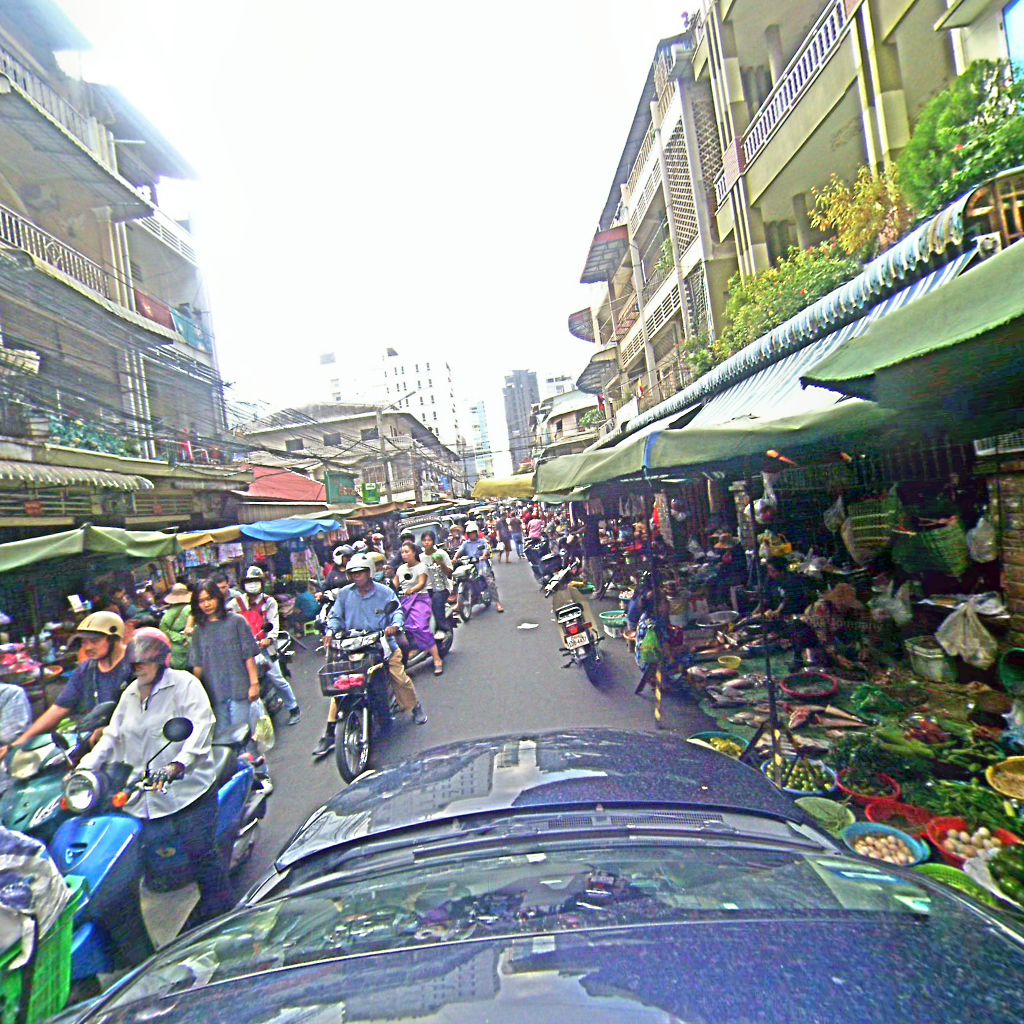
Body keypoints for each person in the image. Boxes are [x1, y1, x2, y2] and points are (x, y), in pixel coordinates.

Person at [77, 628, 232, 923]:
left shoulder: (185, 684)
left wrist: (179, 765)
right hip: (144, 793)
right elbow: (112, 736)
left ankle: (223, 914)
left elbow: (201, 726)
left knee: (201, 854)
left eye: (146, 662)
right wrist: (85, 767)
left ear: (161, 661)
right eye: (136, 663)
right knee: (139, 857)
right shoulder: (130, 695)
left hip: (188, 791)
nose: (140, 668)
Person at [313, 553, 426, 757]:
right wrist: (330, 631)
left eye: (360, 573)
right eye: (353, 573)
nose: (357, 577)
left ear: (369, 572)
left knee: (399, 677)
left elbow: (397, 611)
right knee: (341, 684)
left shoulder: (384, 592)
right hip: (353, 646)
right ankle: (329, 732)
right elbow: (335, 616)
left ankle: (415, 707)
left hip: (382, 644)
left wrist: (394, 625)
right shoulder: (345, 594)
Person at [0, 611, 131, 759]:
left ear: (114, 639)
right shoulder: (86, 670)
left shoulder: (134, 666)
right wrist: (17, 744)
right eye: (84, 642)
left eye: (94, 641)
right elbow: (58, 709)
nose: (87, 648)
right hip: (94, 742)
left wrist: (110, 730)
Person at [187, 579, 260, 731]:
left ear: (218, 598)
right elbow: (198, 665)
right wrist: (192, 692)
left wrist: (254, 684)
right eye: (201, 601)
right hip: (214, 693)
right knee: (223, 738)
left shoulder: (237, 621)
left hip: (239, 688)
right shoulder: (199, 631)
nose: (206, 604)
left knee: (242, 734)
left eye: (209, 599)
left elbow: (248, 655)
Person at [234, 567, 300, 725]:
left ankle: (293, 708)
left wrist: (269, 638)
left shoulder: (269, 602)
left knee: (277, 679)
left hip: (264, 648)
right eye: (249, 582)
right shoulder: (236, 603)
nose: (252, 585)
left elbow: (273, 623)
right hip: (244, 650)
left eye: (255, 581)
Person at [396, 540, 444, 675]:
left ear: (414, 552)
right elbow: (395, 584)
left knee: (420, 627)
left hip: (420, 599)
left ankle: (437, 659)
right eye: (402, 552)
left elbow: (421, 583)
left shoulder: (422, 567)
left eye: (407, 552)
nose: (404, 555)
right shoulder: (400, 569)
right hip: (404, 601)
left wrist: (412, 590)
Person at [455, 521, 505, 613]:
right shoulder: (465, 544)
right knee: (460, 579)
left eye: (473, 533)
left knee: (489, 581)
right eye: (470, 533)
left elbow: (486, 550)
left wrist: (483, 556)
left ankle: (497, 603)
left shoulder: (482, 542)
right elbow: (459, 551)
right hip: (469, 565)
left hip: (481, 564)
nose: (472, 535)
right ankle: (459, 604)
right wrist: (455, 558)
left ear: (476, 533)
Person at [421, 530, 453, 631]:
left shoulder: (441, 554)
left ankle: (442, 625)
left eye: (429, 540)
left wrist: (441, 564)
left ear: (433, 542)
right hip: (425, 589)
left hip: (442, 588)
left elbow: (449, 573)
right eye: (424, 540)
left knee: (437, 598)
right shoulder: (420, 558)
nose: (427, 542)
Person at [159, 582, 194, 670]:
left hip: (176, 651)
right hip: (191, 647)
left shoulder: (168, 613)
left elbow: (163, 629)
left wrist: (179, 638)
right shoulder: (192, 609)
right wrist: (184, 638)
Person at [582, 514, 604, 591]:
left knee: (596, 571)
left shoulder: (592, 523)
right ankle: (597, 587)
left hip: (594, 550)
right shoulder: (588, 524)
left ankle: (599, 589)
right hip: (588, 550)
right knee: (587, 569)